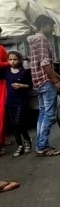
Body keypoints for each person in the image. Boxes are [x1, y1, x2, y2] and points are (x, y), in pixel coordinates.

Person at [29, 15, 60, 156]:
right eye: (51, 26)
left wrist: (59, 77)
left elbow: (44, 64)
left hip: (39, 82)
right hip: (46, 82)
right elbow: (45, 64)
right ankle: (43, 146)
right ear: (44, 25)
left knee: (43, 114)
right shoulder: (41, 39)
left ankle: (40, 145)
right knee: (50, 115)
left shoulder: (34, 39)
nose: (52, 29)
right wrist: (56, 81)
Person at [5, 51, 32, 157]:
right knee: (14, 125)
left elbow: (30, 86)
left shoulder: (24, 72)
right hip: (10, 101)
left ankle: (27, 140)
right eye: (10, 59)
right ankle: (20, 146)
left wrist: (21, 85)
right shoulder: (6, 71)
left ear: (20, 60)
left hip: (21, 101)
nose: (12, 62)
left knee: (18, 122)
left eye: (15, 59)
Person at [0, 26, 10, 156]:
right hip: (1, 83)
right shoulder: (1, 49)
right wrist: (10, 62)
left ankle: (3, 140)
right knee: (1, 114)